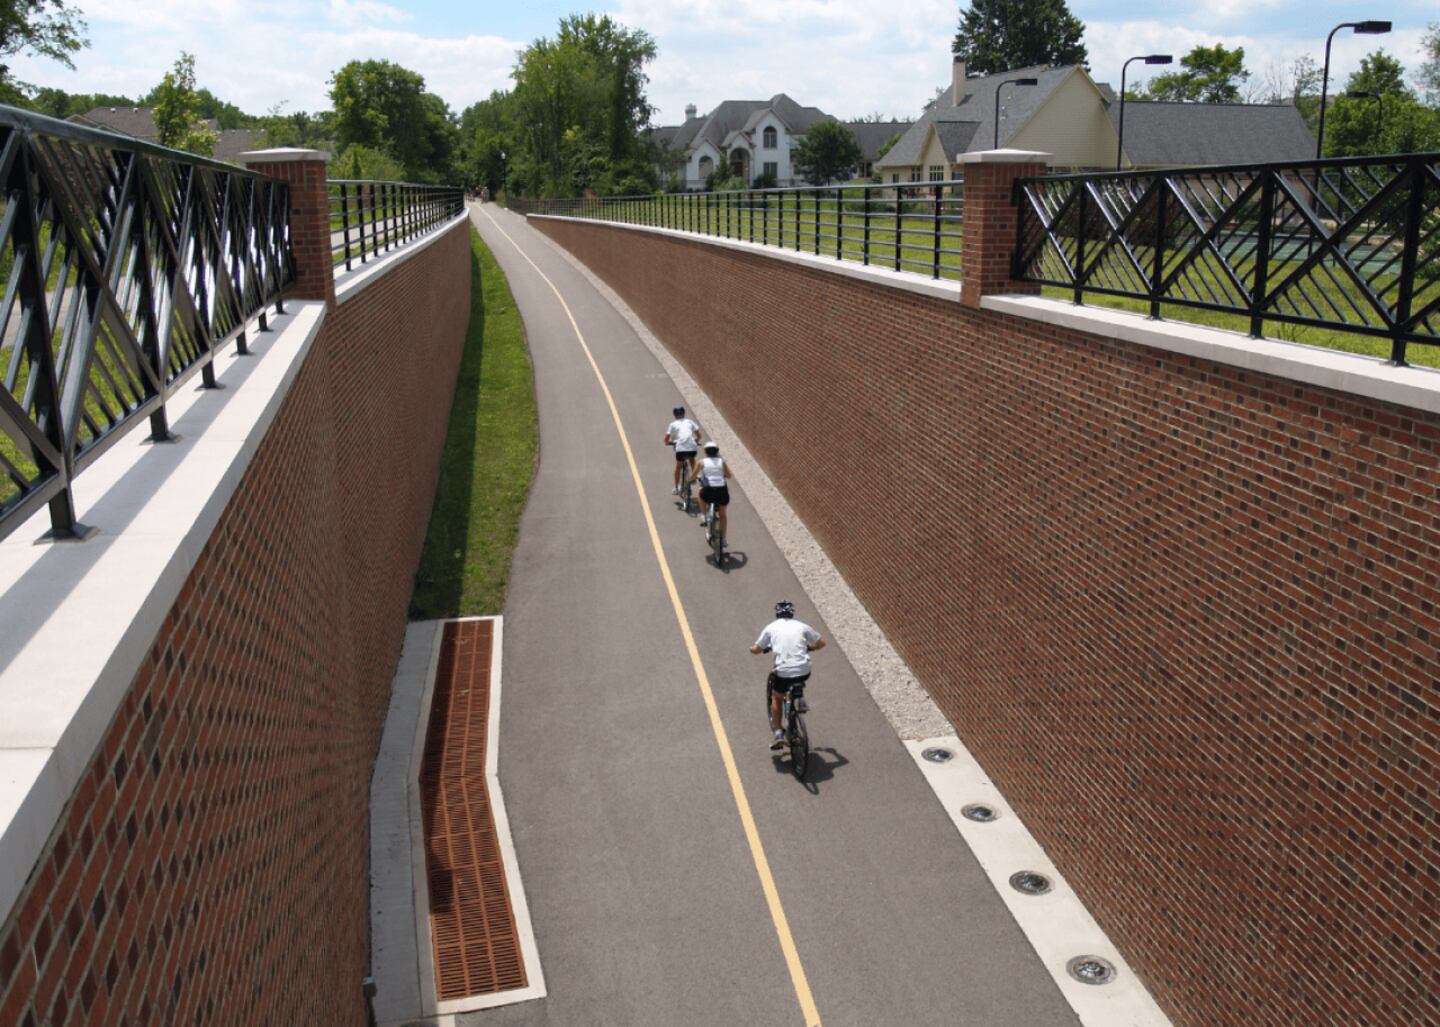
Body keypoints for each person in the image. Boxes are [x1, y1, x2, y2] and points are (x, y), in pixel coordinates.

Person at [751, 601, 825, 749]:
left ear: (777, 614)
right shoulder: (802, 626)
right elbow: (821, 643)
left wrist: (756, 649)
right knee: (798, 676)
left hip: (783, 672)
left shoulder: (771, 627)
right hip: (804, 670)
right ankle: (800, 699)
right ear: (792, 614)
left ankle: (778, 733)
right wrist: (810, 648)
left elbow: (756, 649)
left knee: (777, 697)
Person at [691, 439, 732, 542]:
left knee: (700, 494)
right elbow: (729, 476)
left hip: (708, 490)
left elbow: (693, 476)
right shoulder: (722, 462)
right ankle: (723, 538)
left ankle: (704, 515)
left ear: (705, 451)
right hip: (722, 490)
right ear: (717, 451)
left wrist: (692, 479)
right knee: (723, 514)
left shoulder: (701, 462)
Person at [663, 405, 702, 494]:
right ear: (684, 413)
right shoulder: (690, 422)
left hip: (680, 449)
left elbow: (666, 438)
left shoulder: (672, 424)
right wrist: (696, 441)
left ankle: (676, 488)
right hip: (692, 448)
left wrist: (667, 443)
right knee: (692, 457)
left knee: (678, 467)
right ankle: (694, 475)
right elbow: (699, 436)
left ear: (674, 415)